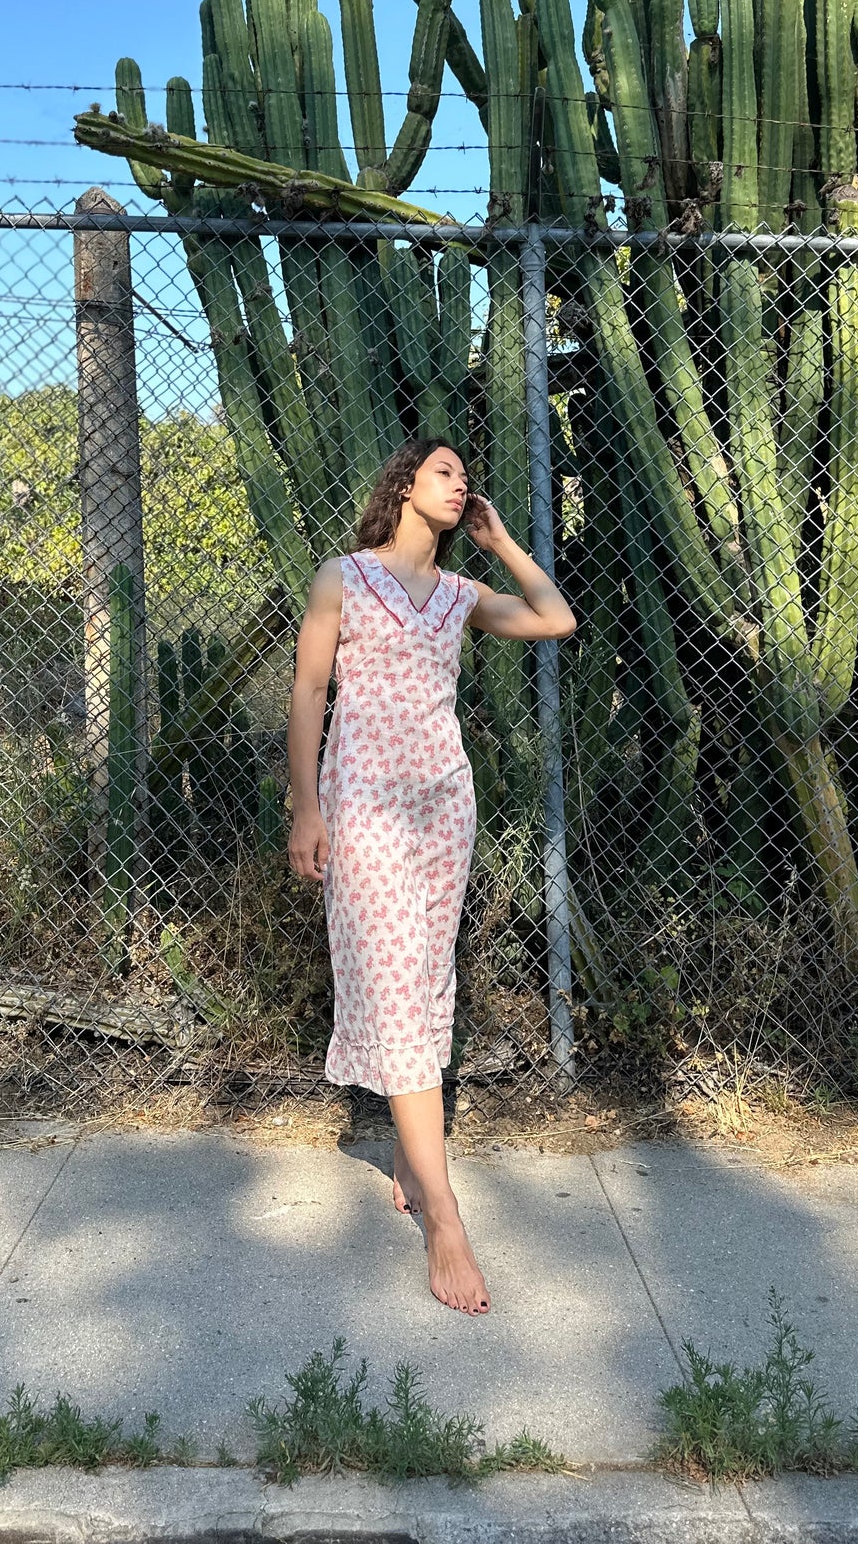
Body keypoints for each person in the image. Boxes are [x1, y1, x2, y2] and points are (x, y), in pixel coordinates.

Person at [286, 437, 576, 1316]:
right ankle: (443, 1213)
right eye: (445, 472)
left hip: (444, 804)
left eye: (465, 478)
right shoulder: (341, 576)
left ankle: (415, 1159)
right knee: (391, 982)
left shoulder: (460, 594)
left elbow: (555, 618)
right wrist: (306, 807)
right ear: (404, 481)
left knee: (426, 976)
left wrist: (501, 545)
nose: (460, 485)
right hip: (362, 803)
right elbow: (306, 693)